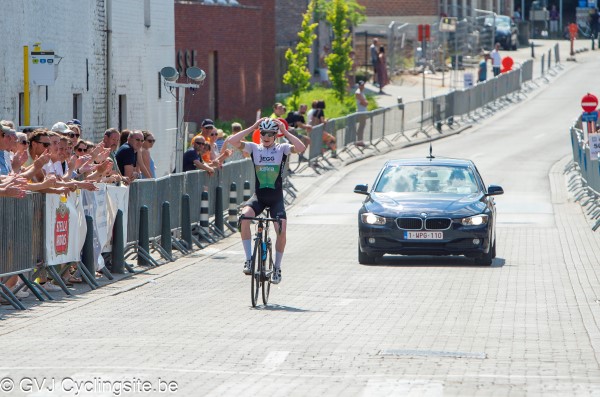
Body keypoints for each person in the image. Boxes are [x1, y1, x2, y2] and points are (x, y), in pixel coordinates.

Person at [228, 118, 306, 284]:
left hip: (276, 199)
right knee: (244, 217)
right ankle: (249, 259)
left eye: (270, 133)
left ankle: (277, 268)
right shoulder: (254, 148)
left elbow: (301, 148)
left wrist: (285, 132)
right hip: (259, 197)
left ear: (275, 135)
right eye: (263, 133)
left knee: (281, 230)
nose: (266, 136)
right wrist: (253, 126)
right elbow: (232, 141)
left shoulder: (282, 149)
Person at [354, 81, 368, 147]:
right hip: (361, 111)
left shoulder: (361, 92)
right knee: (361, 126)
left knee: (362, 125)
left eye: (363, 85)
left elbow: (365, 102)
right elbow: (363, 103)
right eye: (361, 85)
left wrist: (365, 102)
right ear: (359, 85)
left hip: (363, 111)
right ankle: (359, 141)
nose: (363, 86)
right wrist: (365, 102)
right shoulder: (358, 92)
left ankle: (360, 140)